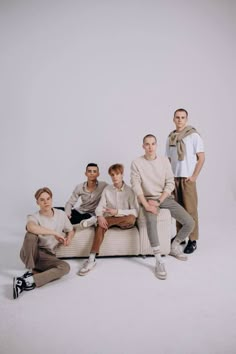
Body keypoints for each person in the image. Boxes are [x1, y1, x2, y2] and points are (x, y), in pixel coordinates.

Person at [130, 134, 195, 280]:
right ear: (143, 146)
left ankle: (174, 246)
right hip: (146, 199)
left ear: (156, 145)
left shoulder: (164, 161)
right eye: (147, 144)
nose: (150, 147)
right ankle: (158, 259)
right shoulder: (136, 163)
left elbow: (170, 183)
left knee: (190, 222)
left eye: (153, 144)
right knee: (151, 222)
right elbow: (136, 186)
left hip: (163, 198)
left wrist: (159, 202)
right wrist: (147, 205)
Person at [13, 187, 74, 299]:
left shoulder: (61, 214)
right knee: (30, 235)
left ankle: (27, 281)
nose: (46, 202)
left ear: (51, 199)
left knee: (65, 267)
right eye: (42, 200)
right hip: (31, 253)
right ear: (37, 202)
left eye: (48, 198)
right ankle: (30, 270)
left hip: (47, 256)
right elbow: (31, 227)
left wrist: (68, 239)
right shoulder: (33, 216)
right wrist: (54, 233)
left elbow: (70, 230)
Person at [78, 163, 138, 275]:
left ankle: (95, 220)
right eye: (112, 175)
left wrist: (118, 212)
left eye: (117, 174)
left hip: (124, 221)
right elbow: (99, 207)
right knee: (101, 223)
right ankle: (91, 259)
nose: (115, 177)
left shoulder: (130, 191)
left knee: (131, 219)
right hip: (109, 220)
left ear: (122, 175)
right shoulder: (107, 190)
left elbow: (136, 211)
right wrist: (100, 216)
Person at [166, 108, 205, 254]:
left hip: (187, 178)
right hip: (174, 178)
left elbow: (201, 157)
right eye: (177, 117)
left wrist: (194, 176)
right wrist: (168, 179)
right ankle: (181, 237)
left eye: (183, 117)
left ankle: (193, 240)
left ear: (186, 119)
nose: (180, 120)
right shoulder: (170, 137)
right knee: (178, 210)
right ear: (173, 119)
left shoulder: (193, 136)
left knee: (191, 210)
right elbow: (168, 160)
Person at [61, 163, 107, 228]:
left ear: (98, 174)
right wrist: (67, 213)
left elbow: (113, 190)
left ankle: (92, 221)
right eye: (89, 171)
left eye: (94, 171)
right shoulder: (79, 187)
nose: (92, 173)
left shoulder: (104, 185)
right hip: (80, 211)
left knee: (83, 218)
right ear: (86, 173)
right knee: (56, 210)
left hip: (91, 215)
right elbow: (70, 203)